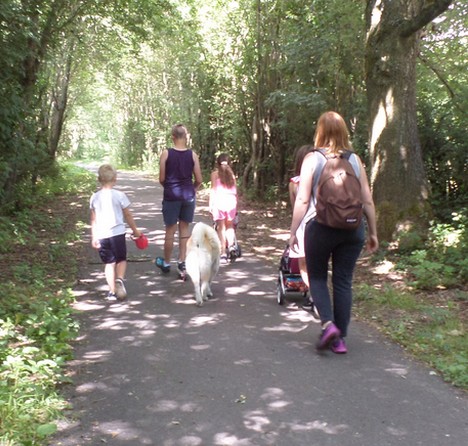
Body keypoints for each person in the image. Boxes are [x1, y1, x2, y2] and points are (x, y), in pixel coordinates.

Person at [289, 111, 378, 354]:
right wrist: (373, 233)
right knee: (342, 280)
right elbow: (367, 200)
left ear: (320, 131)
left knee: (317, 277)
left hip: (322, 228)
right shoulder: (355, 160)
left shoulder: (312, 158)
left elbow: (303, 200)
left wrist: (293, 231)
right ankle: (340, 339)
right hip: (352, 228)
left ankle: (328, 324)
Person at [155, 124, 203, 277]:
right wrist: (192, 190)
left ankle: (167, 262)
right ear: (186, 137)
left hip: (171, 196)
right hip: (188, 197)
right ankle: (182, 262)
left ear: (173, 137)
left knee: (170, 230)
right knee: (184, 230)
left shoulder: (166, 154)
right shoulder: (193, 155)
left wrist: (169, 187)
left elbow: (162, 179)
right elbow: (199, 180)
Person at [90, 164, 141, 301]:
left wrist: (94, 237)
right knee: (121, 259)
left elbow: (93, 220)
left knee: (109, 263)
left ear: (99, 179)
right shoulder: (120, 195)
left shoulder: (94, 197)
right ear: (115, 179)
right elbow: (128, 215)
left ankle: (112, 291)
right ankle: (119, 279)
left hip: (102, 235)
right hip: (117, 234)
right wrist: (135, 230)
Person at [288, 144, 315, 312]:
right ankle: (317, 293)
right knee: (318, 263)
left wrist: (292, 231)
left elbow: (294, 208)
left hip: (303, 225)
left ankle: (312, 293)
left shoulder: (294, 183)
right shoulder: (322, 178)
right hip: (321, 223)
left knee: (303, 263)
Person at [209, 153, 238, 263]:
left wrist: (211, 205)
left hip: (219, 201)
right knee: (230, 226)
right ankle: (231, 246)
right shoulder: (232, 175)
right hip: (231, 202)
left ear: (217, 163)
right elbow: (235, 191)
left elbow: (213, 190)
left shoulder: (215, 174)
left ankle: (223, 253)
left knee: (221, 228)